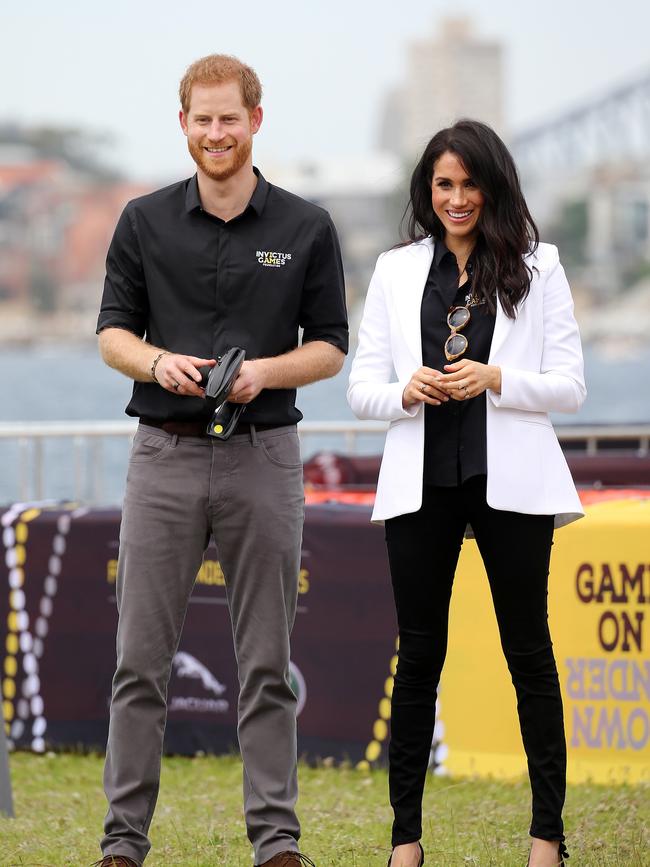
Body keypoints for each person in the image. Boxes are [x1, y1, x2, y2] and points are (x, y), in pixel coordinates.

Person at [94, 54, 347, 867]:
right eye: (201, 119)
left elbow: (332, 348)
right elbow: (111, 334)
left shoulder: (306, 227)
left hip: (263, 456)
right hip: (162, 456)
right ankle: (122, 843)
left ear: (256, 120)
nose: (215, 133)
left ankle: (276, 842)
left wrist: (265, 372)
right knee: (139, 662)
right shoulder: (142, 220)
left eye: (228, 119)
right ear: (183, 125)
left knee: (266, 663)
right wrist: (155, 362)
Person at [348, 119, 585, 867]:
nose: (455, 198)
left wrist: (496, 379)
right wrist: (403, 391)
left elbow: (572, 387)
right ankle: (405, 841)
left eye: (468, 183)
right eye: (443, 184)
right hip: (422, 483)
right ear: (427, 190)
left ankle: (547, 837)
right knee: (418, 659)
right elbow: (361, 390)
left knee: (529, 654)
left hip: (510, 479)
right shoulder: (393, 269)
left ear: (493, 185)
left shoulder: (538, 265)